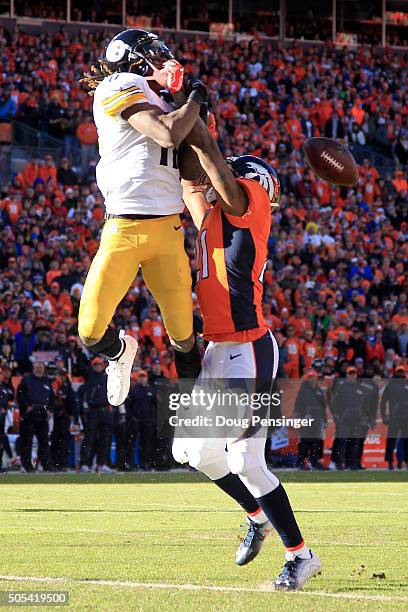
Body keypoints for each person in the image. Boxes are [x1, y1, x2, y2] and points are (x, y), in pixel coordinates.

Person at [172, 117, 321, 590]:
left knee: (246, 461)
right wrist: (181, 120)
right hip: (220, 349)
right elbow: (189, 177)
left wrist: (200, 126)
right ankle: (257, 517)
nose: (215, 188)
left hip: (250, 348)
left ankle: (301, 555)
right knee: (193, 451)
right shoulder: (212, 217)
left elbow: (213, 171)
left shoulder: (250, 203)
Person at [78, 29, 206, 408]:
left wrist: (188, 101)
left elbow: (189, 164)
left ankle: (200, 416)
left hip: (168, 229)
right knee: (89, 331)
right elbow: (167, 135)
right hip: (124, 228)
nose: (163, 57)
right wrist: (195, 97)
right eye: (153, 52)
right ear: (130, 57)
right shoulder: (121, 83)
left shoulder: (166, 101)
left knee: (184, 335)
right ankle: (118, 351)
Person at [16, 361, 54, 472]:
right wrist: (26, 407)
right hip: (29, 415)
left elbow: (52, 398)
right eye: (37, 367)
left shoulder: (47, 382)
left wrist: (50, 410)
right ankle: (27, 466)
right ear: (33, 368)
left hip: (42, 416)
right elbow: (20, 394)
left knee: (44, 441)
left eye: (41, 368)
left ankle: (45, 465)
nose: (39, 370)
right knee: (27, 442)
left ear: (44, 369)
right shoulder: (26, 380)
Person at [78, 357, 113, 473]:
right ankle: (85, 463)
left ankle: (101, 463)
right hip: (93, 410)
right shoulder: (89, 375)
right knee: (89, 438)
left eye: (99, 364)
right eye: (95, 364)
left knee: (105, 438)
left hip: (105, 410)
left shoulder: (107, 376)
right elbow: (80, 365)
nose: (97, 366)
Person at [294, 370, 327, 470]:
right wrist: (298, 418)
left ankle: (315, 462)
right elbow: (297, 405)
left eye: (313, 377)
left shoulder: (319, 391)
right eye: (310, 377)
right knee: (304, 441)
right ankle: (301, 462)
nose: (312, 379)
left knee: (316, 441)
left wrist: (324, 420)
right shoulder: (303, 390)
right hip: (306, 418)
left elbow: (323, 407)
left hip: (317, 419)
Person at [381, 366, 408, 470]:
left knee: (406, 440)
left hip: (406, 417)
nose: (400, 374)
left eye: (402, 372)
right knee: (391, 440)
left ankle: (404, 461)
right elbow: (383, 402)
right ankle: (390, 462)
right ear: (395, 372)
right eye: (398, 372)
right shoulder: (390, 385)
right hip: (394, 417)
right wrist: (384, 416)